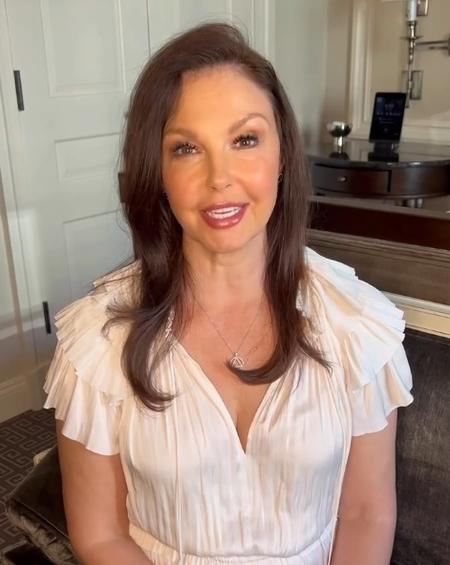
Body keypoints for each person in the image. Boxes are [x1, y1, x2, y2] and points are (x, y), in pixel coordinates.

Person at [44, 22, 413, 565]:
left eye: (245, 140)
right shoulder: (98, 341)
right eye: (187, 148)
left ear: (282, 154)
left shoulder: (356, 325)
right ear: (158, 171)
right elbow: (100, 535)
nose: (219, 177)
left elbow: (366, 514)